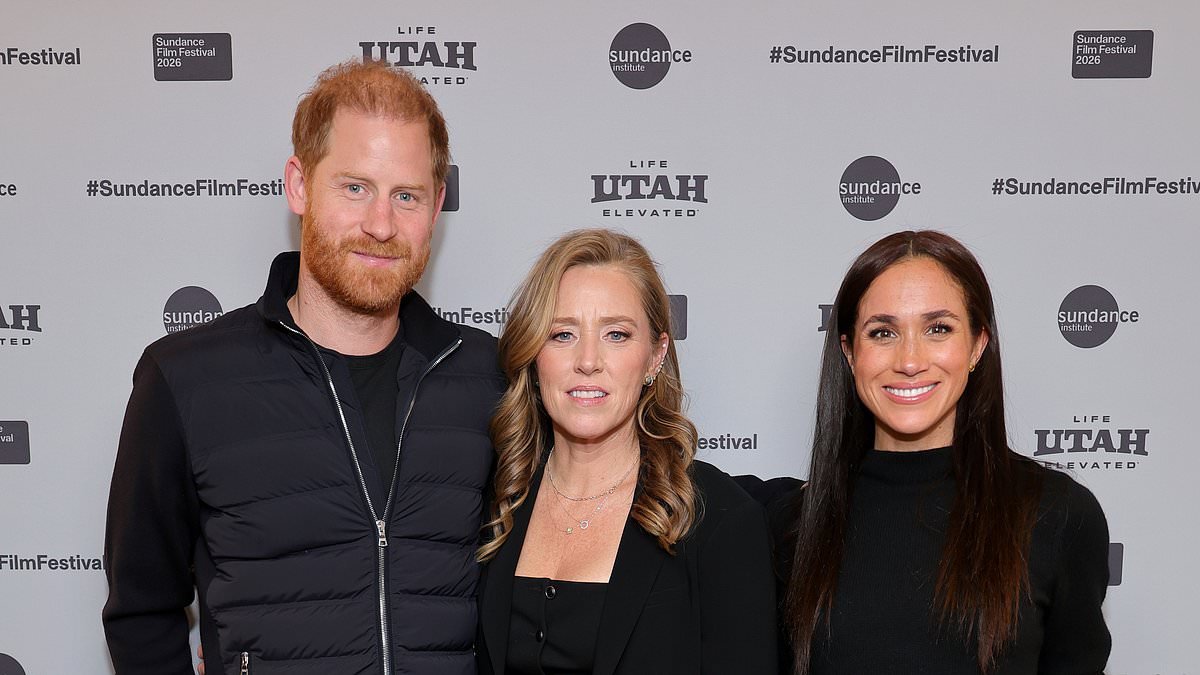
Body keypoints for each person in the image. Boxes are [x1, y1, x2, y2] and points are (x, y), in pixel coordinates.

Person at [102, 60, 504, 675]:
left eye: (406, 195)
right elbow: (141, 611)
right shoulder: (186, 378)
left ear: (437, 204)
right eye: (354, 187)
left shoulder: (487, 377)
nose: (380, 224)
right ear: (298, 185)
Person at [769, 231, 1110, 674]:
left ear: (977, 345)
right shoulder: (791, 525)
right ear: (850, 353)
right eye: (883, 332)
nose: (910, 360)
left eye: (938, 329)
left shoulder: (1056, 514)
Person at [474, 228, 778, 675]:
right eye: (562, 334)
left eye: (616, 334)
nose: (588, 360)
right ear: (533, 355)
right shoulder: (493, 502)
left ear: (655, 357)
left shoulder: (720, 521)